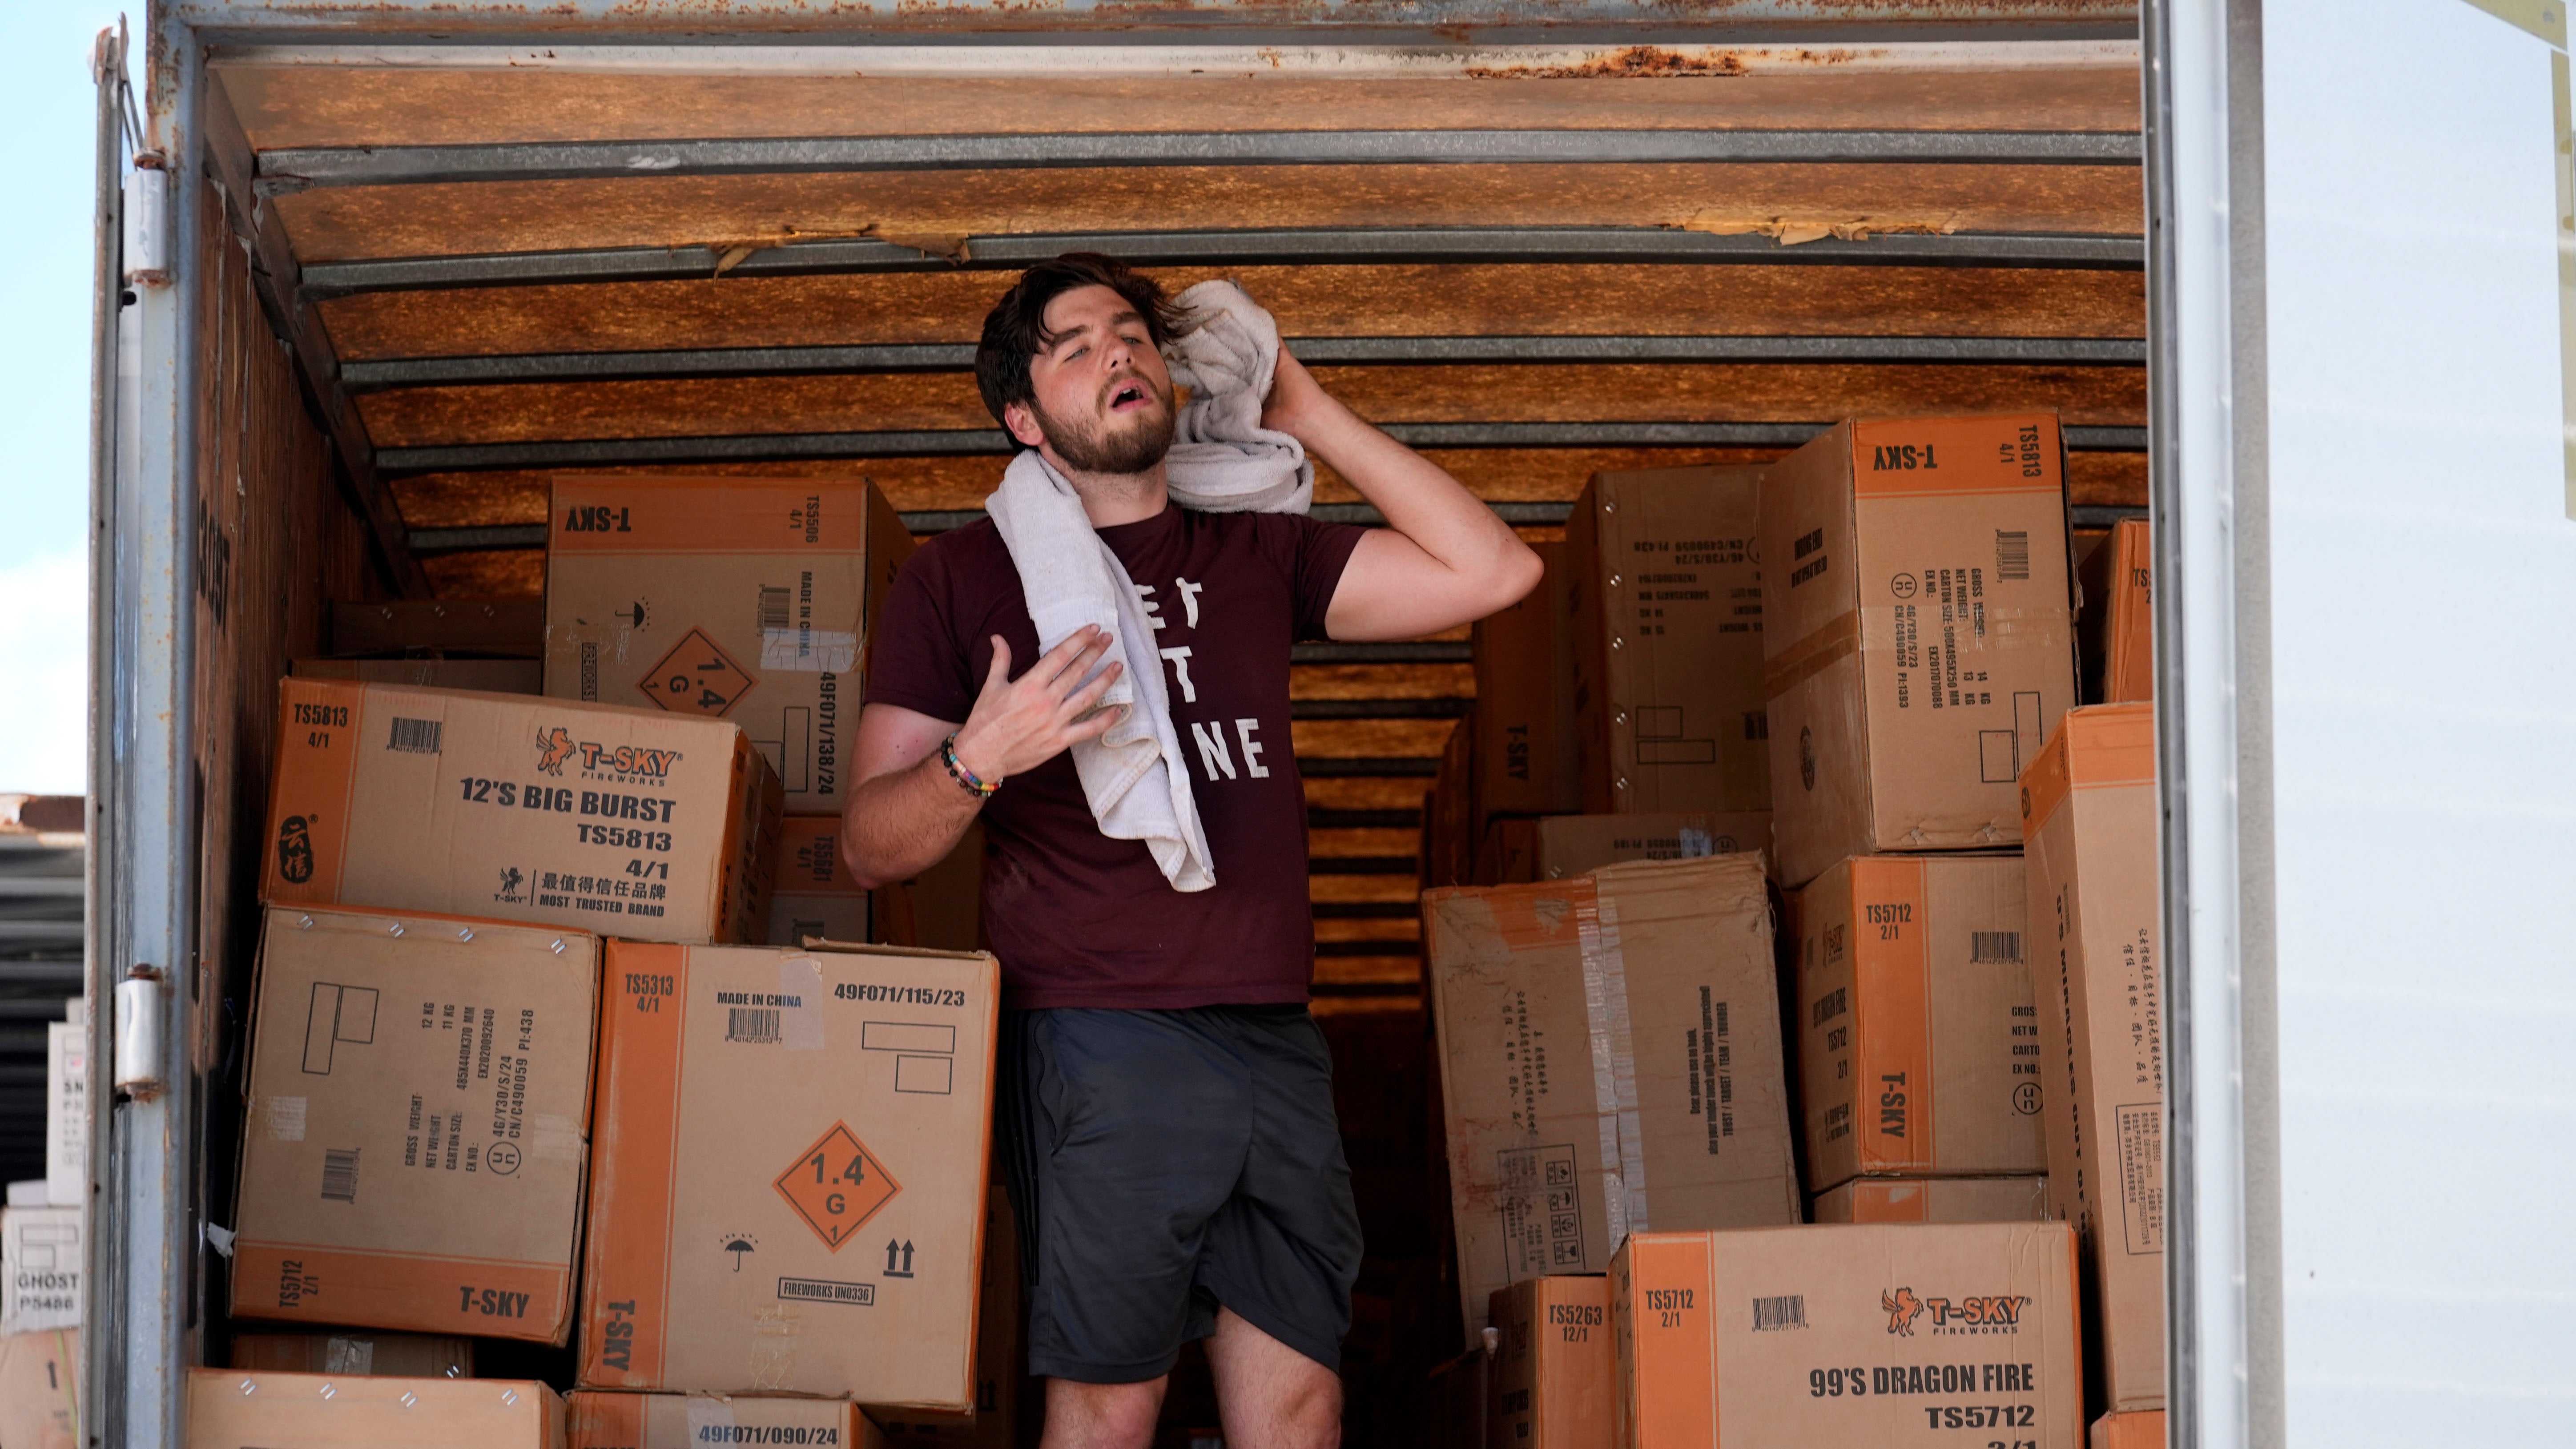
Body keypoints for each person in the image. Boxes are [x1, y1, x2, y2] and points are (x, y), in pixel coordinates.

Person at [841, 253, 1540, 1449]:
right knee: (1113, 1406)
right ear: (1023, 418)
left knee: (1305, 1406)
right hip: (1107, 1035)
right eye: (1077, 346)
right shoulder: (960, 580)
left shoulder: (1255, 553)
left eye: (1134, 335)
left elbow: (1497, 569)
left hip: (1273, 1033)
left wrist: (1306, 409)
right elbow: (865, 843)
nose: (1121, 352)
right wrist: (982, 755)